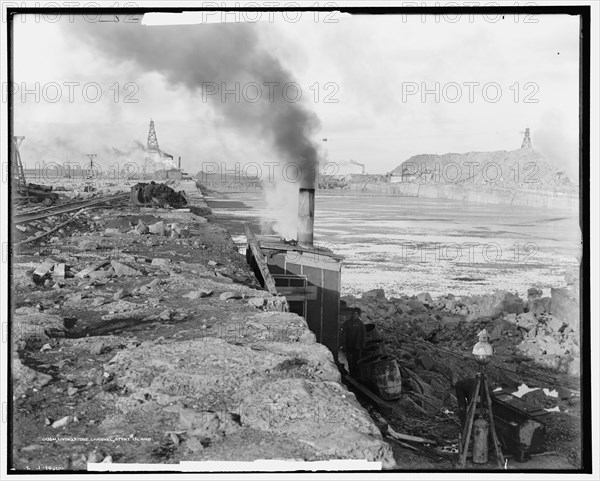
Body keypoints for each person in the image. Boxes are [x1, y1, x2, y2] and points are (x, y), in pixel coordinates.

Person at [340, 308, 367, 377]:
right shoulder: (347, 323)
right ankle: (351, 374)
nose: (355, 315)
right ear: (352, 314)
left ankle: (357, 375)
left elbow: (364, 335)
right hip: (349, 345)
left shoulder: (361, 324)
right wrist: (343, 345)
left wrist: (363, 344)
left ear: (359, 315)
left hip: (357, 346)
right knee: (350, 360)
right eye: (354, 314)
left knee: (357, 361)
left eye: (357, 314)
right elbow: (342, 333)